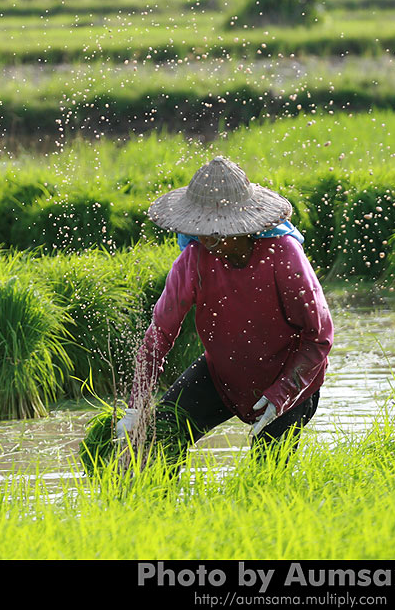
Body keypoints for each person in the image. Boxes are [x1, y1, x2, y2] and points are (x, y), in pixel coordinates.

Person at [116, 155, 333, 467]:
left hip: (291, 380)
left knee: (268, 469)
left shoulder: (283, 255)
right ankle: (157, 509)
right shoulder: (194, 259)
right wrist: (137, 406)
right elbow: (158, 336)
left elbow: (319, 337)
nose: (206, 238)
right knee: (161, 438)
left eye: (217, 230)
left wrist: (280, 395)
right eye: (200, 228)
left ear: (245, 225)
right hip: (223, 374)